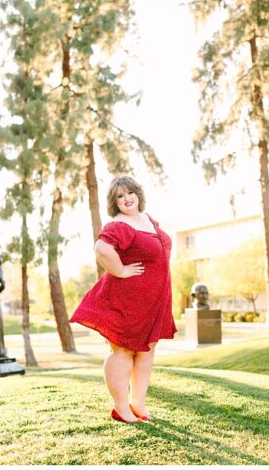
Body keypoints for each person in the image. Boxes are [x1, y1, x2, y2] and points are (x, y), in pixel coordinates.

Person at [71, 176, 176, 423]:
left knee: (147, 351)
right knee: (123, 350)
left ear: (138, 193)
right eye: (120, 196)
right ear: (114, 202)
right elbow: (102, 248)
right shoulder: (119, 225)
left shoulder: (147, 219)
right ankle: (120, 407)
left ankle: (138, 404)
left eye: (130, 192)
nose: (127, 198)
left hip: (154, 300)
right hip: (127, 300)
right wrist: (120, 270)